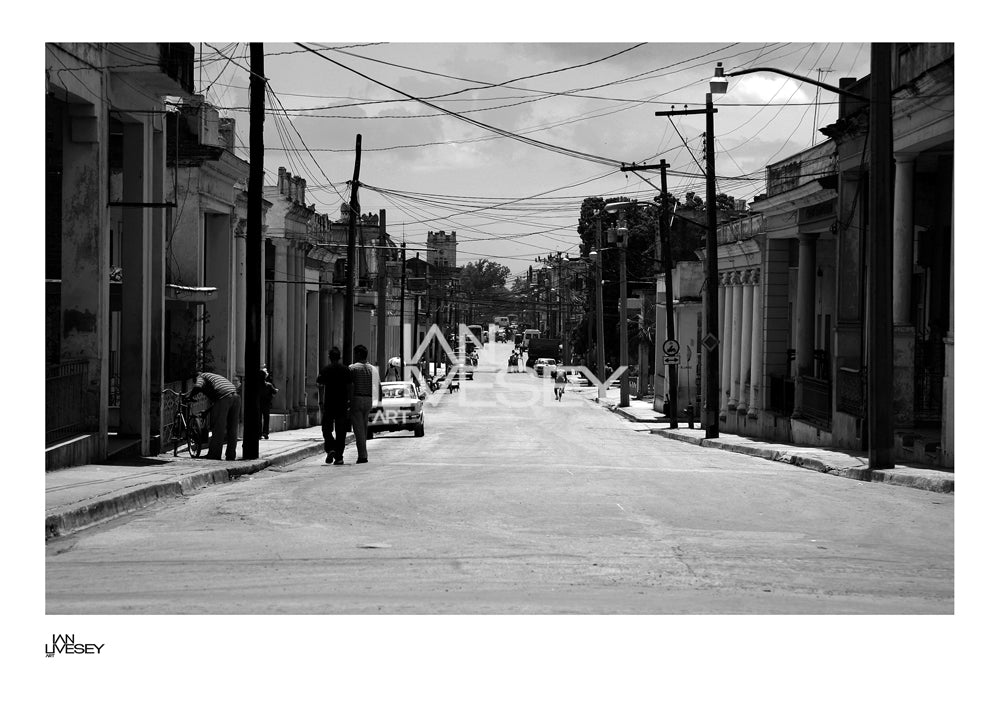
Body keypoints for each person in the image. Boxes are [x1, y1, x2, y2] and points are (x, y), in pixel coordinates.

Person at [186, 370, 240, 461]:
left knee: (219, 428)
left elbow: (198, 386)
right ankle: (231, 455)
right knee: (232, 428)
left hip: (224, 397)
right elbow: (217, 403)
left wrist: (190, 397)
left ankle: (214, 454)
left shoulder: (201, 376)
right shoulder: (214, 377)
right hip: (235, 397)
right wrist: (207, 411)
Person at [317, 347, 352, 465]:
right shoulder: (345, 370)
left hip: (329, 404)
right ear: (340, 357)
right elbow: (350, 386)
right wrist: (349, 402)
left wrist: (321, 402)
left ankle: (331, 448)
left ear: (330, 357)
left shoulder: (326, 370)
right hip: (342, 404)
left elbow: (320, 386)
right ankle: (339, 456)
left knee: (326, 429)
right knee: (341, 431)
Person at [348, 344, 379, 464]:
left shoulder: (353, 368)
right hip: (368, 400)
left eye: (355, 353)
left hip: (357, 399)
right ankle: (363, 452)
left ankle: (362, 455)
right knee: (364, 428)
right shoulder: (373, 369)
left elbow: (350, 386)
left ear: (359, 354)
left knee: (358, 429)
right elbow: (378, 387)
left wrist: (349, 401)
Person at [258, 368, 278, 439]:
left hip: (259, 403)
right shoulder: (268, 385)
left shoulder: (257, 385)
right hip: (266, 403)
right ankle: (265, 433)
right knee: (266, 418)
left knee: (259, 418)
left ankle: (259, 433)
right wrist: (276, 390)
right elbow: (274, 391)